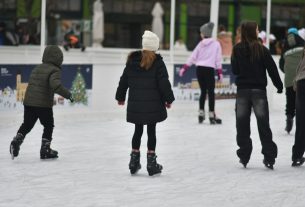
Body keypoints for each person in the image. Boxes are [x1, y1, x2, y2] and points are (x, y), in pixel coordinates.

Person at [115, 30, 175, 176]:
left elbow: (124, 80)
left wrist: (120, 97)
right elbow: (164, 83)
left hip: (136, 105)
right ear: (155, 47)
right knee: (151, 131)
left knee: (138, 130)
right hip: (153, 105)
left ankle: (134, 161)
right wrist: (168, 99)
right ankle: (151, 163)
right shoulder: (158, 62)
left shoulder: (132, 61)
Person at [231, 21, 283, 169]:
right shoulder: (262, 49)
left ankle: (244, 155)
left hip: (242, 92)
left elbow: (235, 70)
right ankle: (269, 156)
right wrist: (279, 86)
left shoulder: (236, 49)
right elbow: (272, 69)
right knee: (263, 125)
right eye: (258, 29)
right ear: (253, 32)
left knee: (242, 125)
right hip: (259, 92)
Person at [10, 45, 74, 160]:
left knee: (27, 124)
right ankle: (45, 149)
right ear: (58, 59)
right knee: (48, 125)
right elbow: (55, 85)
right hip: (43, 104)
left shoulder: (37, 68)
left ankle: (16, 141)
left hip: (29, 102)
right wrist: (68, 95)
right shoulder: (55, 70)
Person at [179, 22, 222, 124]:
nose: (200, 34)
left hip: (200, 69)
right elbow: (218, 60)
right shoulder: (216, 44)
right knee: (211, 92)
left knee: (203, 91)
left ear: (204, 33)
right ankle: (211, 114)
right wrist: (219, 72)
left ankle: (201, 114)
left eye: (201, 32)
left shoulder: (200, 44)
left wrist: (185, 68)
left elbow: (192, 57)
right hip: (209, 69)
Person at [279, 27, 305, 134]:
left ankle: (289, 120)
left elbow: (281, 64)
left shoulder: (285, 46)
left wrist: (288, 72)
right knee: (302, 101)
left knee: (290, 101)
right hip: (302, 77)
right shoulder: (303, 43)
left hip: (289, 79)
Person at [291, 45, 305, 166]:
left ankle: (297, 155)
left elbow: (298, 71)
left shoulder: (303, 55)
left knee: (301, 122)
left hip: (301, 83)